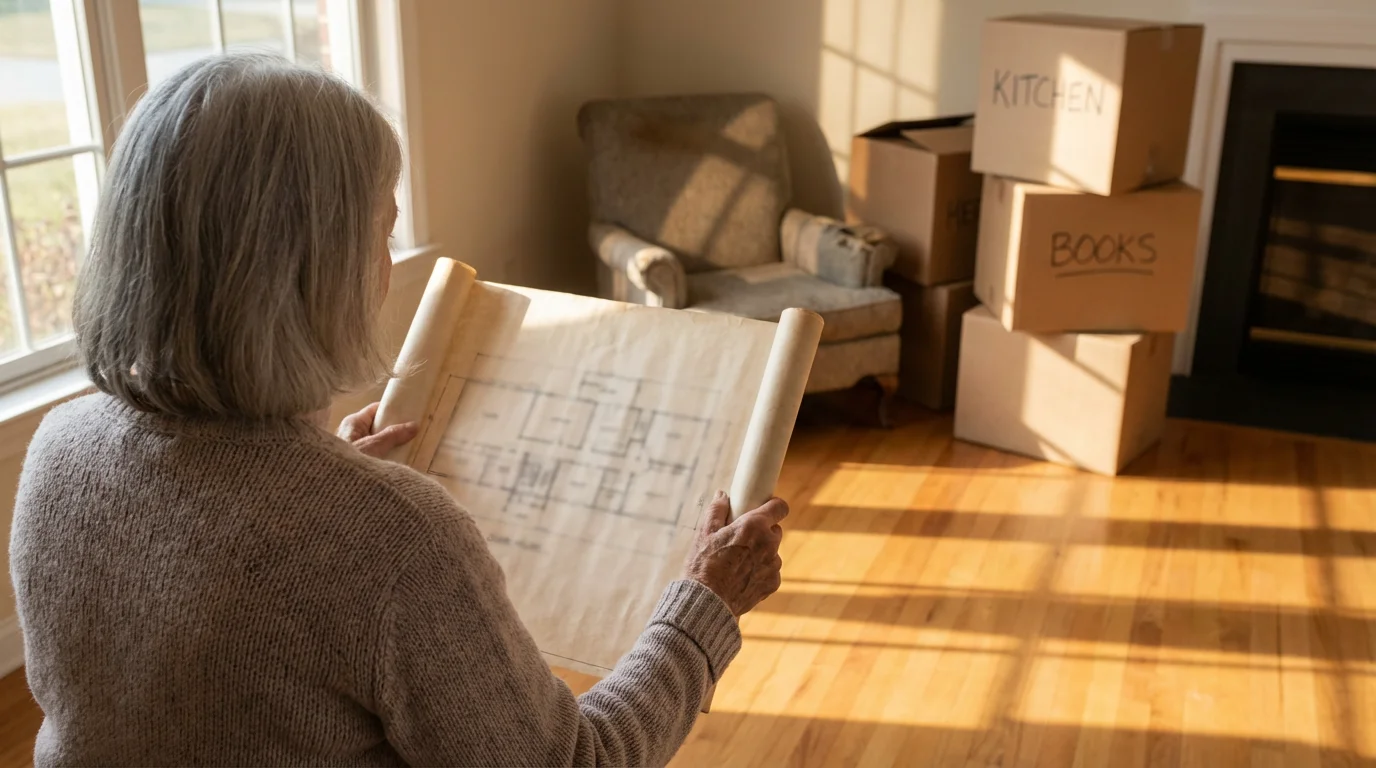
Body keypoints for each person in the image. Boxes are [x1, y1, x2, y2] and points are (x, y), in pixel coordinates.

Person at [9, 53, 786, 767]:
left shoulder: (59, 450)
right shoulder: (392, 536)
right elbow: (574, 761)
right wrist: (702, 609)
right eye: (382, 231)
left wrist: (332, 481)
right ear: (311, 272)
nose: (386, 268)